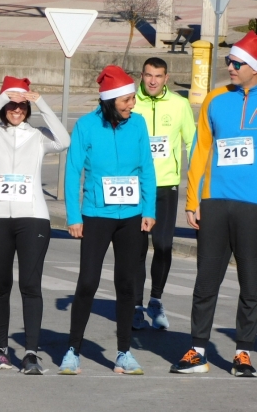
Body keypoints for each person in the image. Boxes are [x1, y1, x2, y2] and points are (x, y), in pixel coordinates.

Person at [170, 31, 257, 377]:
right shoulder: (215, 99)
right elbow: (201, 151)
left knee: (251, 283)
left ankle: (244, 352)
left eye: (237, 63)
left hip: (252, 205)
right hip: (215, 202)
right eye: (229, 61)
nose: (230, 67)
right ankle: (198, 349)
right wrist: (193, 200)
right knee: (206, 280)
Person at [60, 65, 156, 376]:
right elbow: (73, 170)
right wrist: (74, 216)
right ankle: (73, 349)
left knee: (126, 284)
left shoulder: (138, 125)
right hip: (96, 215)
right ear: (110, 100)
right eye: (127, 99)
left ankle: (124, 352)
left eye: (132, 99)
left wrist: (149, 210)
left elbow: (147, 169)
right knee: (87, 282)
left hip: (131, 217)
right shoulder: (86, 126)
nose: (132, 104)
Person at [0, 77, 70, 373]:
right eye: (11, 105)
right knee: (0, 286)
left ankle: (30, 353)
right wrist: (0, 99)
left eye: (21, 105)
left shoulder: (37, 136)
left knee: (30, 285)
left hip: (33, 217)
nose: (16, 110)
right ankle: (1, 350)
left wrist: (40, 102)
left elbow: (64, 141)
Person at [132, 57, 195, 331]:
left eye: (158, 76)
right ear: (142, 76)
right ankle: (135, 305)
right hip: (135, 187)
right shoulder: (131, 102)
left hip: (166, 185)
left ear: (166, 77)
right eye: (148, 75)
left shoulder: (180, 105)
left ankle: (155, 299)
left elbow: (193, 144)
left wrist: (199, 188)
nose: (153, 81)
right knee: (135, 248)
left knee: (164, 245)